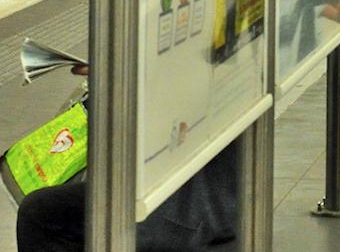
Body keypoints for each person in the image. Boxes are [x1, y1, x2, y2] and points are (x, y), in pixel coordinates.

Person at [16, 65, 240, 251]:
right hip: (177, 191)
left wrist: (120, 77)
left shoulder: (201, 61)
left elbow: (170, 116)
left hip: (184, 208)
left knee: (45, 219)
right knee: (40, 211)